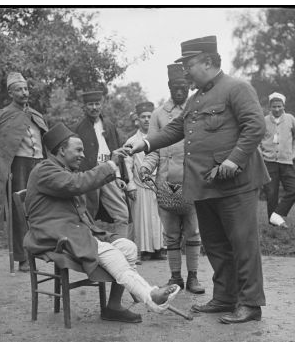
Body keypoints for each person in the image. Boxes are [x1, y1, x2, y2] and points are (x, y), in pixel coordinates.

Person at [126, 36, 269, 324]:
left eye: (189, 65)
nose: (186, 72)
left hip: (236, 184)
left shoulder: (236, 88)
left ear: (208, 61)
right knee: (215, 245)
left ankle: (250, 304)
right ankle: (225, 297)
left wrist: (234, 159)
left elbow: (256, 126)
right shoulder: (195, 98)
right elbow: (176, 128)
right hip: (206, 185)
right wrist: (143, 145)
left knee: (242, 243)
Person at [23, 123, 180, 324]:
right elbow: (77, 184)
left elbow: (79, 185)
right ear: (62, 150)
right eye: (78, 150)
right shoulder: (45, 170)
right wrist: (111, 165)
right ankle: (151, 296)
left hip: (74, 232)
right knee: (113, 253)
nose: (82, 155)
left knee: (129, 248)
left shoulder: (61, 169)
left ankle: (113, 306)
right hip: (53, 236)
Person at [140, 63, 205, 294]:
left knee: (194, 231)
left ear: (189, 86)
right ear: (168, 86)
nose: (180, 91)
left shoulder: (196, 109)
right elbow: (153, 148)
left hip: (192, 181)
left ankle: (194, 278)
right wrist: (146, 167)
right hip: (165, 183)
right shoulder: (158, 114)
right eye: (175, 87)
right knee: (171, 234)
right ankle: (175, 277)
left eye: (184, 87)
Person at [0, 72, 48, 272]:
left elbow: (46, 140)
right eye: (19, 89)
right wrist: (0, 169)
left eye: (26, 89)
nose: (24, 93)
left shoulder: (36, 115)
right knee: (20, 211)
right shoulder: (2, 116)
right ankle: (23, 257)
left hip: (38, 165)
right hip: (18, 167)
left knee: (39, 208)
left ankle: (39, 251)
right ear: (10, 93)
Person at [72, 89, 131, 239]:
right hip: (90, 175)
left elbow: (117, 151)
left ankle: (122, 250)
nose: (94, 107)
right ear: (84, 107)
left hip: (109, 172)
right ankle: (87, 250)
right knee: (87, 214)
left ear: (102, 105)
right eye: (90, 104)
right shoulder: (78, 128)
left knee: (122, 213)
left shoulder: (109, 126)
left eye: (97, 103)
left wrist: (118, 176)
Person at [124, 101, 165, 261]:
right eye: (143, 117)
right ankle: (144, 249)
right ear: (137, 120)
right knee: (142, 217)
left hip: (158, 183)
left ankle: (160, 248)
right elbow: (127, 165)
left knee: (159, 217)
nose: (147, 120)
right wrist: (130, 185)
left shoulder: (161, 137)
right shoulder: (131, 141)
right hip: (140, 185)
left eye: (149, 116)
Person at [260, 91, 295, 229]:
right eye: (274, 107)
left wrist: (294, 152)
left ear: (284, 106)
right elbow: (256, 140)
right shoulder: (264, 120)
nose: (277, 109)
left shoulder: (290, 118)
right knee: (271, 193)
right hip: (269, 162)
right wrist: (261, 154)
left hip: (286, 161)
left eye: (279, 106)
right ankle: (274, 227)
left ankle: (277, 215)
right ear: (270, 107)